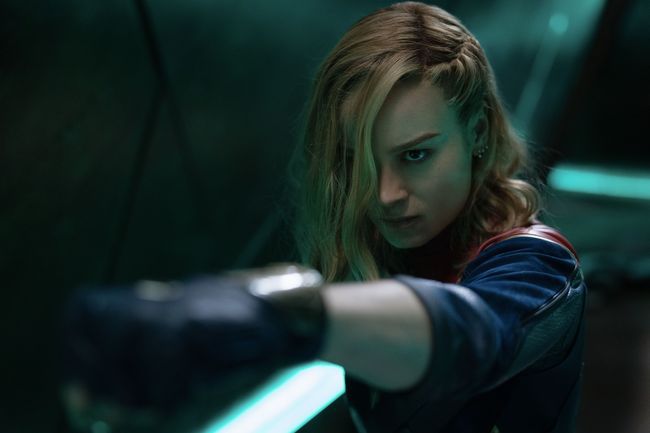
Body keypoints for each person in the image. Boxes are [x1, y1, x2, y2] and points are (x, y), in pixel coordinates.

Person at [63, 2, 586, 433]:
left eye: (416, 154)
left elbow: (477, 332)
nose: (384, 194)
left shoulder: (539, 269)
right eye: (358, 160)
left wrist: (282, 317)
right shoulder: (378, 250)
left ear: (477, 134)